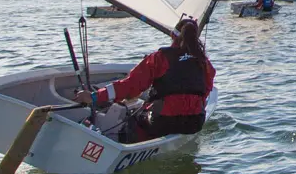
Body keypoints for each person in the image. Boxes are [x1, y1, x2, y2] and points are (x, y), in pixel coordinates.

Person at [73, 18, 215, 143]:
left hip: (163, 122)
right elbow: (206, 91)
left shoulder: (159, 58)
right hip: (195, 122)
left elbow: (130, 86)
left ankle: (129, 148)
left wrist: (93, 96)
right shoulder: (204, 62)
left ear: (173, 35)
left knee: (136, 119)